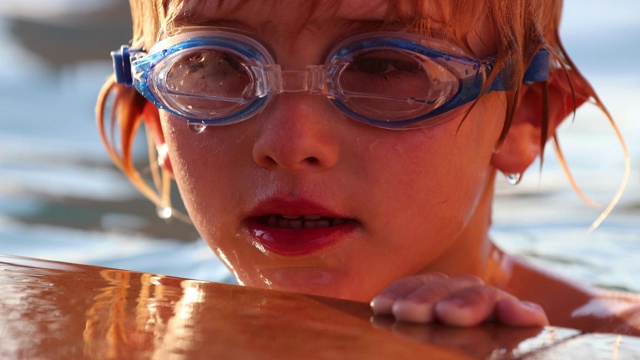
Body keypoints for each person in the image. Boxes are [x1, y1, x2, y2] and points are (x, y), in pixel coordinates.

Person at [96, 0, 640, 335]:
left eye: (384, 66)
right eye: (214, 64)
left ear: (521, 121)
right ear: (154, 119)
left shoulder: (612, 335)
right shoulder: (125, 324)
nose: (289, 144)